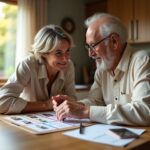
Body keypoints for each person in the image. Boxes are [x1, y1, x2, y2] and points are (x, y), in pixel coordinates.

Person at [52, 13, 150, 126]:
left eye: (93, 45)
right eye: (88, 47)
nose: (90, 53)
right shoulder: (102, 68)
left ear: (114, 41)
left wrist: (85, 111)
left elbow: (145, 111)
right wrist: (72, 105)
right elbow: (95, 101)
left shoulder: (142, 60)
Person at [0, 24, 76, 114]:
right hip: (27, 120)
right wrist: (46, 105)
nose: (65, 59)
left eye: (67, 51)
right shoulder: (28, 65)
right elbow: (2, 102)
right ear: (43, 53)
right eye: (58, 53)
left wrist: (68, 102)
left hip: (54, 122)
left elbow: (72, 99)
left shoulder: (68, 66)